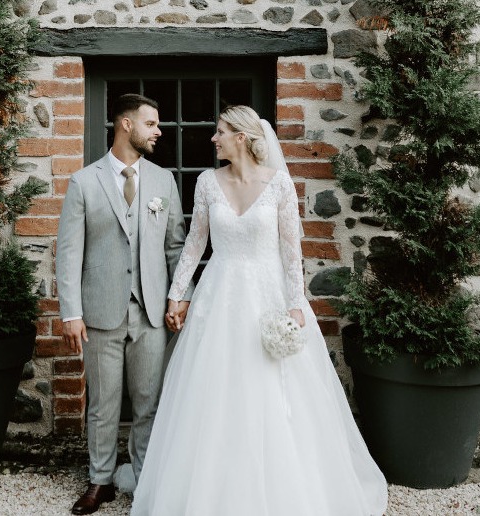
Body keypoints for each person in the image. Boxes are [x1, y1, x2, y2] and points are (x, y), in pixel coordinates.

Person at [130, 105, 388, 515]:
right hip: (220, 297)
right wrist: (177, 294)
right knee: (214, 391)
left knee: (273, 389)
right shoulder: (206, 183)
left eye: (220, 132)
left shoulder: (280, 184)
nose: (213, 139)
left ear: (243, 137)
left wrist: (295, 304)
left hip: (268, 295)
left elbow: (290, 251)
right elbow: (195, 244)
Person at [56, 93, 193, 515]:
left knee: (149, 401)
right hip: (100, 313)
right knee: (103, 404)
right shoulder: (84, 181)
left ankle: (145, 479)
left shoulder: (163, 180)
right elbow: (68, 252)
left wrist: (179, 298)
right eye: (151, 123)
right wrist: (71, 313)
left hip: (152, 313)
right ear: (126, 125)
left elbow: (175, 245)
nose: (159, 131)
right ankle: (100, 481)